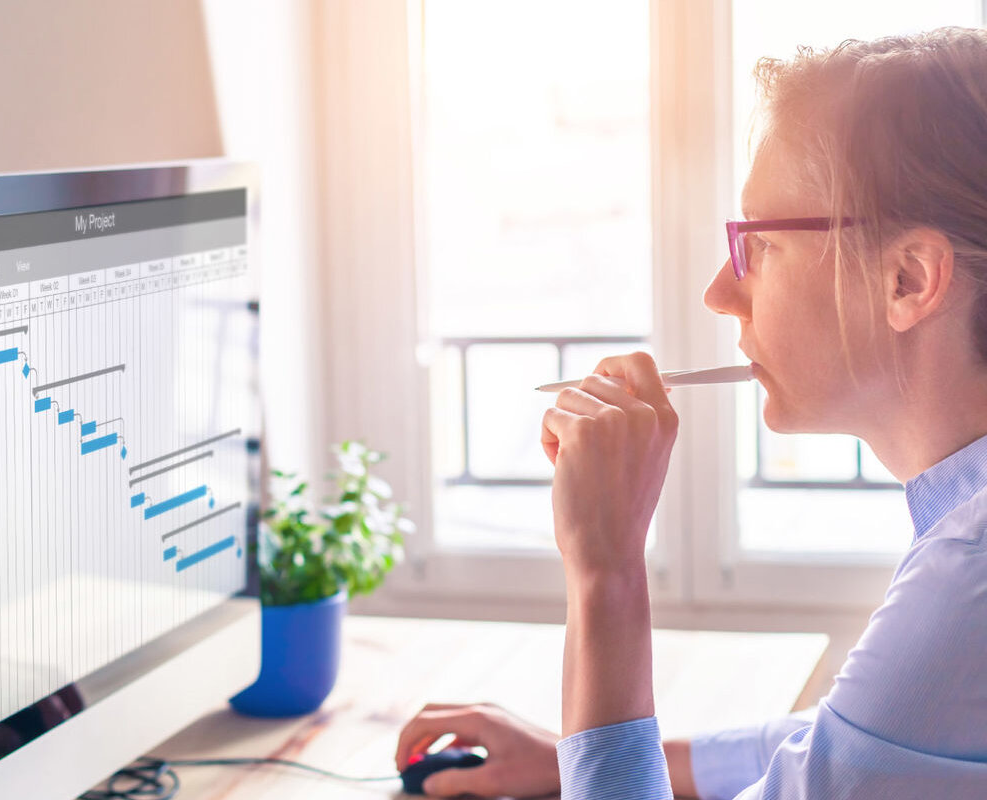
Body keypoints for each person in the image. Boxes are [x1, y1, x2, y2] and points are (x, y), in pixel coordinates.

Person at [395, 26, 987, 799]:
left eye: (759, 246)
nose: (720, 291)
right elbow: (855, 740)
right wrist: (566, 757)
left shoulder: (967, 576)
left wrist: (606, 571)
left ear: (908, 279)